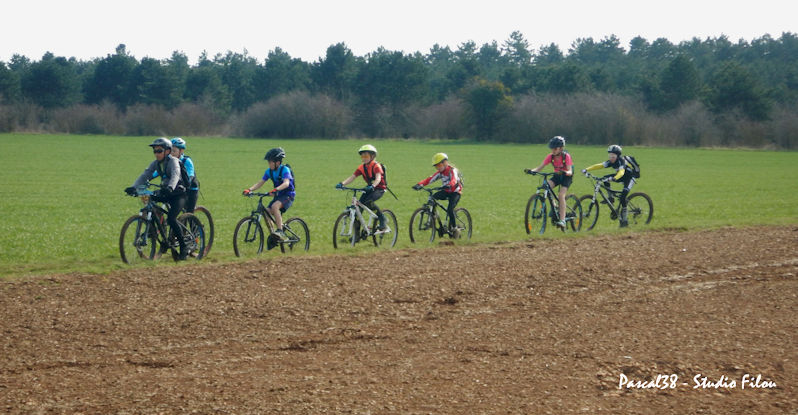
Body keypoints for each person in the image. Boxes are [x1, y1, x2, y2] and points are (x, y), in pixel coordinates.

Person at [125, 137, 189, 260]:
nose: (156, 154)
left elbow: (175, 175)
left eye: (159, 151)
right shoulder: (156, 163)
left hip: (178, 194)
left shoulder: (173, 161)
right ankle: (162, 237)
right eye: (155, 151)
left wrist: (170, 187)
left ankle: (183, 247)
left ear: (168, 151)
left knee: (171, 218)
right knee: (151, 206)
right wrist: (133, 188)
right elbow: (145, 175)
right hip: (166, 192)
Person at [243, 147, 295, 240]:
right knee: (266, 212)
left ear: (277, 162)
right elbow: (261, 182)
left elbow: (286, 183)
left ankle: (280, 231)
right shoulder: (269, 172)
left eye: (270, 162)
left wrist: (275, 190)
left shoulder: (285, 170)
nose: (269, 164)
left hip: (288, 195)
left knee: (275, 207)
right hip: (278, 195)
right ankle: (273, 234)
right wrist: (249, 189)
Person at [524, 136, 574, 228]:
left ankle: (562, 220)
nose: (553, 150)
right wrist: (532, 171)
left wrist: (565, 172)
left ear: (561, 148)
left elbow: (570, 171)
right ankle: (555, 206)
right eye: (552, 148)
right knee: (546, 186)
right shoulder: (550, 157)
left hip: (566, 176)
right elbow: (540, 167)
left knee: (561, 195)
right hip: (557, 176)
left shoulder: (566, 156)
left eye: (555, 148)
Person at [335, 144, 388, 231]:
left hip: (379, 189)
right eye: (362, 156)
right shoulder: (362, 167)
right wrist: (342, 183)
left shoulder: (376, 166)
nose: (363, 158)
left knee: (369, 202)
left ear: (372, 156)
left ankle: (382, 218)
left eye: (366, 155)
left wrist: (373, 186)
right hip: (369, 188)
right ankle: (357, 235)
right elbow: (352, 177)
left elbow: (378, 178)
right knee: (358, 208)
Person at [581, 144, 635, 227]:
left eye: (613, 156)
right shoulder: (610, 162)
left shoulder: (621, 161)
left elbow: (621, 172)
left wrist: (614, 178)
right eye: (610, 155)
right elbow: (599, 165)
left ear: (617, 156)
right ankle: (611, 198)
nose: (611, 158)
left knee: (623, 197)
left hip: (629, 178)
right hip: (620, 177)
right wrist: (587, 169)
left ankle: (625, 220)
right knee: (604, 179)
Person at [412, 152, 463, 238]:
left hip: (455, 192)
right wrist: (420, 184)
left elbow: (454, 180)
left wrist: (450, 184)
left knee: (450, 210)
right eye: (436, 166)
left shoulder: (452, 170)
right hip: (446, 191)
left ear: (445, 163)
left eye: (439, 165)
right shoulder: (440, 173)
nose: (437, 168)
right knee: (432, 198)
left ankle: (455, 229)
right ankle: (432, 218)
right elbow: (430, 179)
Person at [170, 137, 200, 213]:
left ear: (181, 151)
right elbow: (157, 173)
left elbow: (190, 175)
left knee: (189, 212)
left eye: (174, 151)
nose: (172, 153)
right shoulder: (170, 161)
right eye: (170, 151)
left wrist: (186, 184)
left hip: (191, 189)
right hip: (179, 189)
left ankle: (193, 224)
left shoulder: (187, 161)